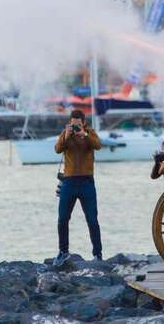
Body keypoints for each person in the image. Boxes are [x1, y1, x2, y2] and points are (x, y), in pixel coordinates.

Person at [53, 110, 103, 266]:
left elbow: (98, 145)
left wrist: (84, 134)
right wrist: (66, 136)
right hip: (69, 181)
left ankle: (98, 254)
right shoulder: (66, 133)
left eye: (78, 124)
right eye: (73, 124)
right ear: (70, 122)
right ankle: (63, 252)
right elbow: (57, 149)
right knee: (62, 218)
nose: (75, 127)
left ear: (83, 122)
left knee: (92, 219)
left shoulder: (90, 133)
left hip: (87, 181)